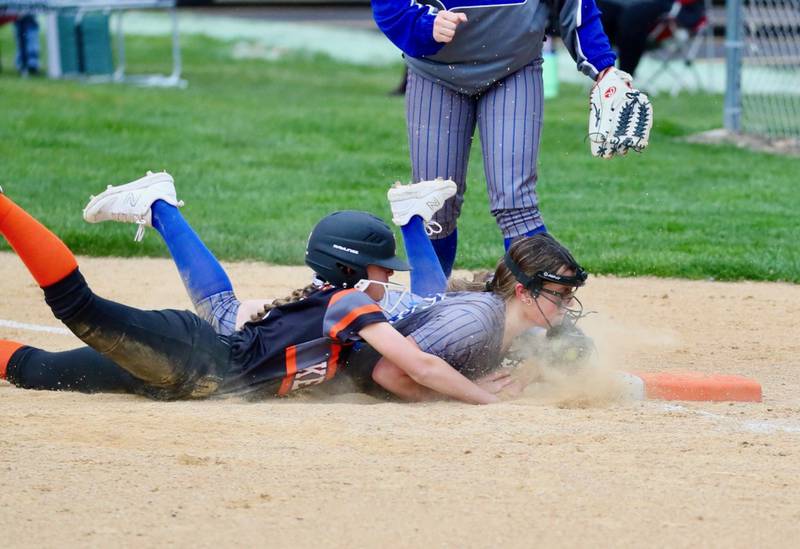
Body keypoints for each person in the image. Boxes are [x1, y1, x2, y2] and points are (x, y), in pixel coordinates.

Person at [79, 173, 589, 402]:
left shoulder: (492, 315)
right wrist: (477, 395)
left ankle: (411, 216)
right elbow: (408, 367)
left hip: (363, 322)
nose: (390, 275)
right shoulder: (354, 301)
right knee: (223, 308)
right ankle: (160, 205)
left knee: (428, 302)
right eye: (560, 297)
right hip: (261, 339)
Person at [0, 183, 502, 405]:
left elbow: (407, 376)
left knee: (39, 370)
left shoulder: (339, 309)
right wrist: (486, 400)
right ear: (350, 269)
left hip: (184, 382)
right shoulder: (352, 303)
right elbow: (420, 366)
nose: (389, 278)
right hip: (194, 358)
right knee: (77, 308)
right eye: (381, 269)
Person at [370, 0, 643, 277]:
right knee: (433, 207)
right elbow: (390, 6)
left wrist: (603, 68)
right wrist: (421, 24)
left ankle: (539, 308)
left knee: (517, 203)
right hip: (435, 73)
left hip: (515, 66)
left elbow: (574, 5)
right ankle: (429, 307)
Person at [597, 0, 707, 77]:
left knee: (632, 17)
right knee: (595, 8)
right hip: (624, 9)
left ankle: (623, 80)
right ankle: (603, 77)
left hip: (666, 13)